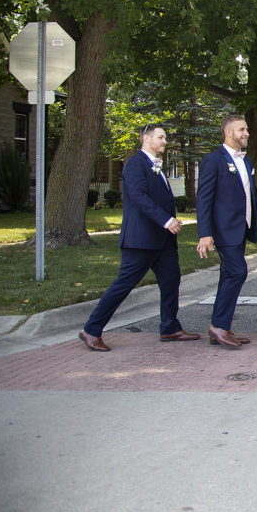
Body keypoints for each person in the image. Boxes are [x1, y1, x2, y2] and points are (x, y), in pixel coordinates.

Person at [78, 125, 199, 351]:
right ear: (146, 138)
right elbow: (138, 196)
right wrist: (166, 220)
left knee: (172, 279)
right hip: (141, 240)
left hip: (163, 242)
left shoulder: (157, 167)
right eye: (161, 137)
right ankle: (91, 329)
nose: (165, 141)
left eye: (165, 138)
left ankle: (170, 327)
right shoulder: (135, 163)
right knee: (124, 284)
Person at [196, 114, 257, 348]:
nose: (247, 133)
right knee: (238, 271)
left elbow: (254, 197)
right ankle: (218, 326)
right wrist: (204, 233)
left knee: (229, 275)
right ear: (228, 133)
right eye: (242, 130)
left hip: (241, 229)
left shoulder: (246, 161)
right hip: (223, 230)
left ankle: (221, 328)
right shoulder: (213, 160)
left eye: (247, 129)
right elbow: (204, 199)